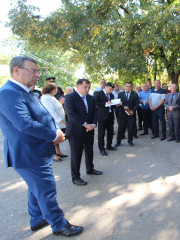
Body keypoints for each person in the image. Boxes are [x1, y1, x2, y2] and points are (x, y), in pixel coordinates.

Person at [0, 56, 83, 236]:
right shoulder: (9, 93)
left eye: (38, 71)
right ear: (16, 70)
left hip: (34, 151)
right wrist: (54, 134)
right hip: (28, 153)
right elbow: (25, 124)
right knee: (46, 189)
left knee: (36, 188)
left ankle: (37, 219)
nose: (38, 74)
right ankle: (59, 224)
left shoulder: (24, 90)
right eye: (33, 70)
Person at [64, 79, 103, 186]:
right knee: (76, 155)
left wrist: (93, 124)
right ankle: (75, 177)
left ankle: (90, 168)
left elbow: (95, 112)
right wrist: (85, 124)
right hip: (76, 131)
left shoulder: (90, 98)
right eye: (85, 87)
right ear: (78, 86)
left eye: (89, 87)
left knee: (89, 151)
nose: (87, 89)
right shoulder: (70, 97)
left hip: (89, 130)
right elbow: (71, 114)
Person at [41, 83, 68, 162]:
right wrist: (61, 120)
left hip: (57, 122)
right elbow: (51, 111)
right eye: (56, 89)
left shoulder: (51, 97)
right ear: (52, 90)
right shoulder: (45, 98)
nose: (57, 90)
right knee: (53, 138)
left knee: (57, 138)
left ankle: (58, 151)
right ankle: (53, 155)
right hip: (52, 122)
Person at [94, 82, 117, 156]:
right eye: (110, 89)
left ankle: (109, 146)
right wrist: (106, 103)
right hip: (102, 117)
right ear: (105, 87)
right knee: (101, 133)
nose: (111, 91)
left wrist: (115, 104)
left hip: (110, 116)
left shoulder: (112, 95)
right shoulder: (98, 93)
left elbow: (112, 105)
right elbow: (96, 102)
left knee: (110, 132)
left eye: (112, 89)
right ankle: (102, 149)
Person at [115, 82, 139, 147]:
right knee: (120, 128)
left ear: (131, 87)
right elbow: (118, 103)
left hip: (131, 114)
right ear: (124, 87)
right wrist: (123, 106)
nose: (128, 87)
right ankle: (118, 142)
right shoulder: (120, 94)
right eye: (127, 86)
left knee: (131, 128)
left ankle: (130, 141)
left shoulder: (135, 94)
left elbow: (137, 104)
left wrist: (132, 111)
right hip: (122, 114)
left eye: (129, 86)